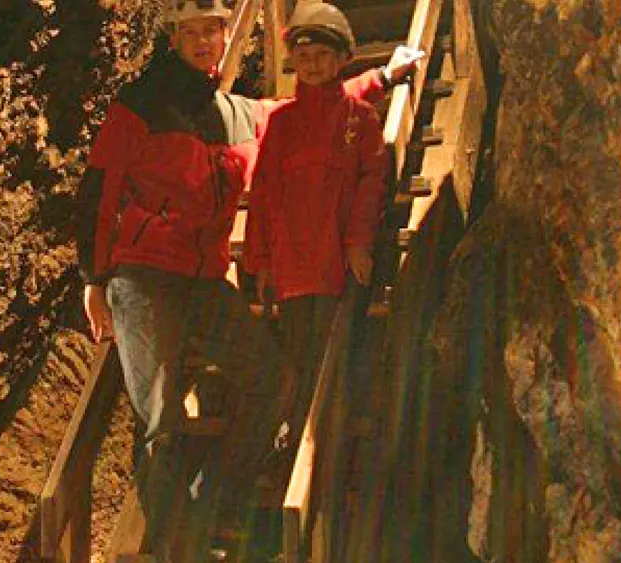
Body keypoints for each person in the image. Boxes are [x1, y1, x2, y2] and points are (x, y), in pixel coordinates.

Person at [75, 1, 421, 559]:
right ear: (174, 39)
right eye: (191, 32)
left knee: (272, 381)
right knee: (161, 420)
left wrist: (381, 77)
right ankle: (172, 547)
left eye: (212, 29)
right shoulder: (139, 104)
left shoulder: (236, 112)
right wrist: (95, 278)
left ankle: (216, 504)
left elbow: (309, 110)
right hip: (144, 280)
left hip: (206, 279)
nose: (205, 41)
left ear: (222, 34)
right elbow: (99, 188)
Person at [243, 2, 393, 463]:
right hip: (290, 264)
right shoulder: (282, 123)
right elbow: (264, 194)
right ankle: (297, 442)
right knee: (297, 352)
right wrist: (261, 262)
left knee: (335, 353)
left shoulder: (360, 119)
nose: (313, 65)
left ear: (342, 58)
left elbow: (372, 186)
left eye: (323, 56)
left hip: (335, 259)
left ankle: (326, 447)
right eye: (304, 57)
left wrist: (358, 244)